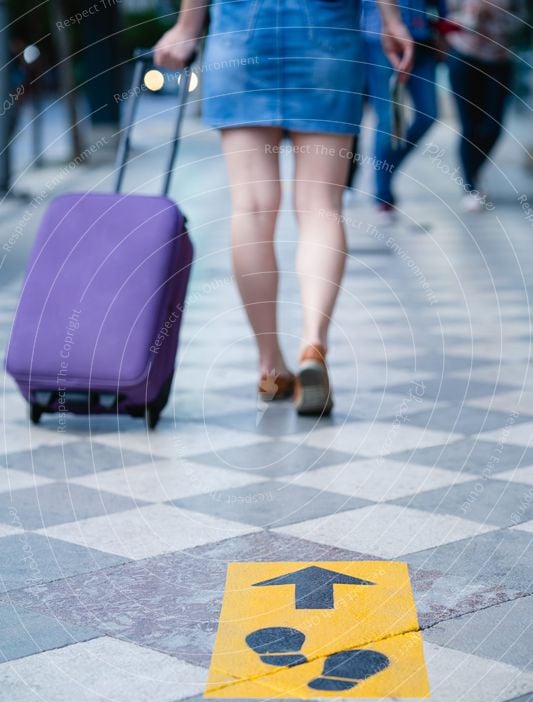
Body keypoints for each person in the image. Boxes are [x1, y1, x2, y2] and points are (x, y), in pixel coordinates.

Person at [155, 0, 413, 416]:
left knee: (252, 208)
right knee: (320, 207)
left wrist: (186, 27)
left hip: (241, 37)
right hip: (324, 36)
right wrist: (392, 19)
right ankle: (313, 344)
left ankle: (270, 366)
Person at [361, 0, 447, 217]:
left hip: (422, 38)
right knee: (388, 118)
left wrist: (443, 29)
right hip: (379, 38)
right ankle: (382, 193)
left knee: (429, 114)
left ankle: (385, 169)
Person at [446, 0, 525, 211]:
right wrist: (473, 17)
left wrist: (497, 17)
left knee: (493, 127)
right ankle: (471, 186)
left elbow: (521, 20)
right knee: (469, 126)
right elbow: (447, 18)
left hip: (499, 59)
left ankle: (475, 170)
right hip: (463, 56)